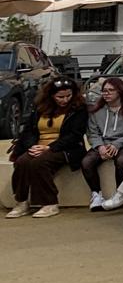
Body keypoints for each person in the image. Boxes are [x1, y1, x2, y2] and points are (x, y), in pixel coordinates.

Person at [7, 78, 89, 219]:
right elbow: (29, 131)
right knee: (22, 162)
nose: (64, 100)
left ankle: (49, 203)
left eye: (68, 96)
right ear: (51, 95)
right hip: (38, 145)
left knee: (39, 163)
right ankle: (21, 202)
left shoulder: (79, 109)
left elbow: (74, 135)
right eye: (60, 97)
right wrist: (32, 146)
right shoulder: (40, 108)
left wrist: (49, 147)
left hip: (65, 147)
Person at [81, 76, 123, 211]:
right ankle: (96, 194)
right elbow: (92, 132)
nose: (106, 94)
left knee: (122, 161)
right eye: (104, 91)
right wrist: (100, 146)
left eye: (110, 90)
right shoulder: (97, 110)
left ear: (120, 92)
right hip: (104, 143)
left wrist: (117, 144)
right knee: (87, 162)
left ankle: (120, 193)